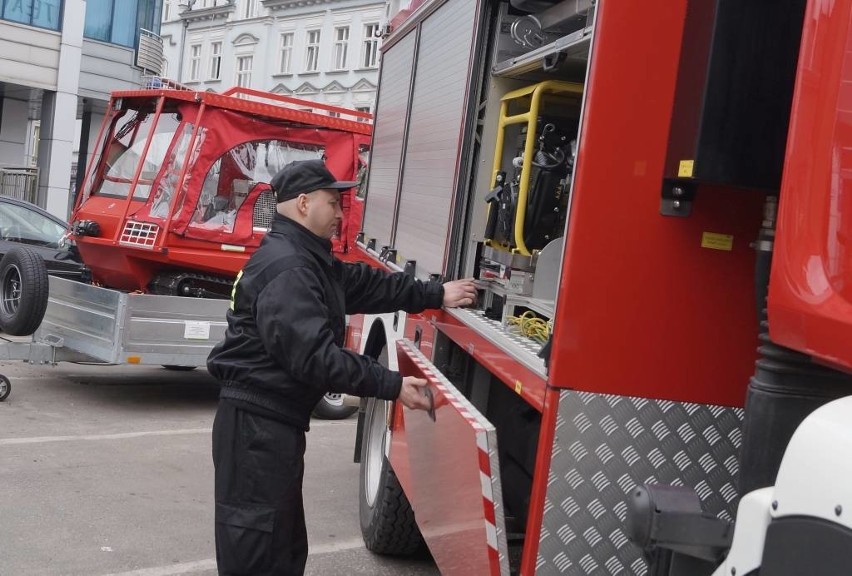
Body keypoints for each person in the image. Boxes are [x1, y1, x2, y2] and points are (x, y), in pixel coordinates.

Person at [207, 158, 478, 576]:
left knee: (280, 546)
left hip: (270, 426)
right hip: (255, 429)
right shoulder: (290, 269)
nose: (340, 213)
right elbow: (315, 357)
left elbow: (365, 285)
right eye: (333, 203)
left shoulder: (305, 258)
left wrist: (434, 292)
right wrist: (390, 384)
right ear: (302, 204)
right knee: (258, 551)